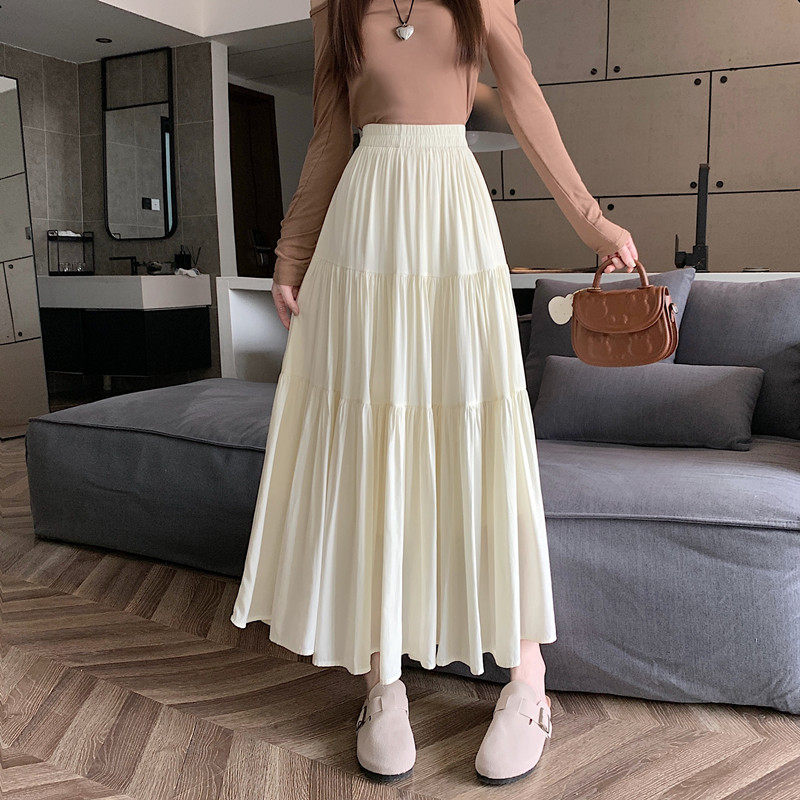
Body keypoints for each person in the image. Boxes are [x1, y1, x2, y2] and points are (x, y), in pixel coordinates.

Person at [230, 0, 638, 785]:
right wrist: (291, 251)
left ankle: (528, 679)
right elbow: (328, 133)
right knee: (374, 446)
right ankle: (382, 679)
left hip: (452, 218)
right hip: (364, 230)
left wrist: (594, 223)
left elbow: (525, 103)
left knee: (481, 440)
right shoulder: (334, 5)